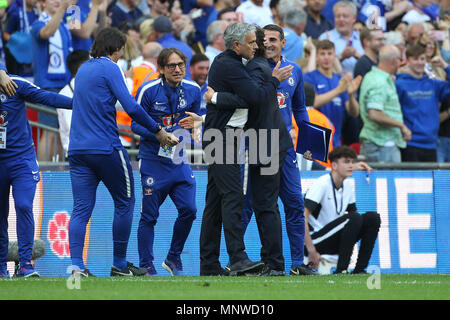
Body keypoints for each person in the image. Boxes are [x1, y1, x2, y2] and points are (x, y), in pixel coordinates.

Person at [67, 27, 179, 277]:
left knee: (81, 209)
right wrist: (157, 129)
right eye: (121, 50)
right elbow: (130, 106)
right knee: (125, 201)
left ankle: (76, 266)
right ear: (116, 49)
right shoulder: (110, 67)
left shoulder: (83, 68)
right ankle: (119, 264)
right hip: (105, 147)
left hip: (77, 149)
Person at [199, 22, 291, 276]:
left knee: (217, 201)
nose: (258, 45)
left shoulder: (244, 63)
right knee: (232, 197)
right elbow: (255, 96)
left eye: (258, 41)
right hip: (223, 137)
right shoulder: (234, 64)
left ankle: (209, 264)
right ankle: (238, 258)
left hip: (240, 137)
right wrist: (273, 81)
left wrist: (215, 97)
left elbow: (251, 98)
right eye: (253, 41)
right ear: (237, 45)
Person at [240, 24, 317, 276]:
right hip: (257, 146)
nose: (269, 43)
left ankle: (296, 264)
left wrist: (307, 142)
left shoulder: (294, 70)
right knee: (248, 205)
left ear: (283, 42)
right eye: (264, 39)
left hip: (284, 150)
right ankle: (236, 260)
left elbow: (300, 109)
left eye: (274, 39)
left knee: (294, 203)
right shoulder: (251, 69)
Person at [131, 48, 200, 276]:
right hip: (153, 160)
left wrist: (196, 127)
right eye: (171, 66)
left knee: (189, 209)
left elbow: (195, 118)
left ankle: (173, 257)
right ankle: (146, 264)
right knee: (149, 216)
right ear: (161, 69)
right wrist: (159, 132)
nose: (177, 69)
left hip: (179, 159)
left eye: (181, 64)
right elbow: (135, 125)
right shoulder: (148, 90)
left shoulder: (193, 90)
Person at [0, 65, 73, 278]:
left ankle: (25, 265)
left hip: (21, 159)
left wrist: (78, 103)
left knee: (23, 205)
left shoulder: (15, 84)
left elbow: (45, 97)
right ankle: (2, 268)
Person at [303, 146, 381, 274]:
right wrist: (311, 250)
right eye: (346, 162)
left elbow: (357, 222)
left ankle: (360, 269)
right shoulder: (322, 184)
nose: (351, 166)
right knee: (354, 218)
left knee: (373, 218)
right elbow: (302, 217)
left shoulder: (348, 186)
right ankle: (341, 269)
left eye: (352, 162)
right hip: (315, 240)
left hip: (333, 238)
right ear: (334, 165)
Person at [31, 0, 74, 161]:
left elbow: (80, 30)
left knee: (62, 131)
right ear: (42, 3)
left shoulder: (63, 24)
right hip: (47, 86)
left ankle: (58, 172)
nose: (58, 1)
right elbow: (46, 32)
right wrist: (63, 7)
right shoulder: (37, 23)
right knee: (49, 130)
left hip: (64, 84)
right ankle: (44, 170)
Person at [395, 43, 450, 162]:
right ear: (408, 60)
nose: (420, 62)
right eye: (415, 59)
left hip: (431, 143)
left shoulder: (433, 84)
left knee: (430, 181)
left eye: (422, 59)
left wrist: (445, 66)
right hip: (410, 143)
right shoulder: (399, 84)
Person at [359, 45, 411, 163]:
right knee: (387, 181)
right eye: (400, 59)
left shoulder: (372, 76)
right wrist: (401, 125)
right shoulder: (380, 82)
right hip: (382, 145)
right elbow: (375, 114)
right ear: (394, 61)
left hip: (378, 144)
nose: (401, 63)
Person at [303, 40, 361, 147]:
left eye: (330, 54)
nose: (326, 57)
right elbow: (312, 103)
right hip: (315, 140)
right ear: (316, 57)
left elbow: (354, 113)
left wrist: (351, 95)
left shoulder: (340, 79)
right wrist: (338, 90)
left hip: (335, 142)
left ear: (335, 57)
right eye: (322, 54)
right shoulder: (308, 78)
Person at [57, 50, 90, 158]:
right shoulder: (64, 93)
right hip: (77, 154)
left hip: (89, 151)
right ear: (81, 66)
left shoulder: (91, 87)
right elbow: (71, 125)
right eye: (90, 63)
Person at [318, 1, 365, 74]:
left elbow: (372, 65)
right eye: (338, 16)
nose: (341, 19)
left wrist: (358, 56)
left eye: (345, 16)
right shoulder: (325, 37)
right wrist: (342, 56)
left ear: (354, 18)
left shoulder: (362, 38)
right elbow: (319, 66)